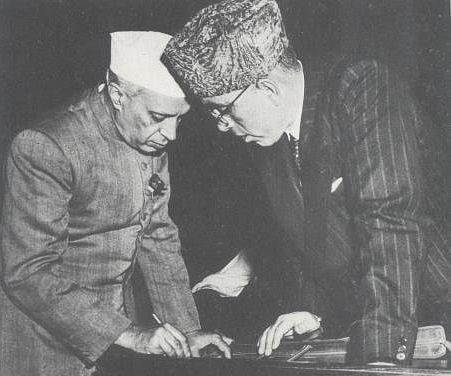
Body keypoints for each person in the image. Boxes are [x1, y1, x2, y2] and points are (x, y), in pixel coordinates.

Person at [162, 0, 451, 365]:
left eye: (223, 109)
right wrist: (316, 315)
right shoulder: (272, 139)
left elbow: (390, 231)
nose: (220, 125)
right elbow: (322, 248)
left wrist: (378, 364)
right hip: (395, 322)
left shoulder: (361, 88)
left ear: (266, 88)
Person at [0, 31, 231, 376]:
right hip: (44, 345)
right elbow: (28, 272)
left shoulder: (150, 140)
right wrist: (128, 335)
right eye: (158, 117)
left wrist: (188, 332)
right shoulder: (46, 146)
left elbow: (157, 236)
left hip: (119, 341)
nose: (171, 134)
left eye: (179, 118)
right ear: (118, 95)